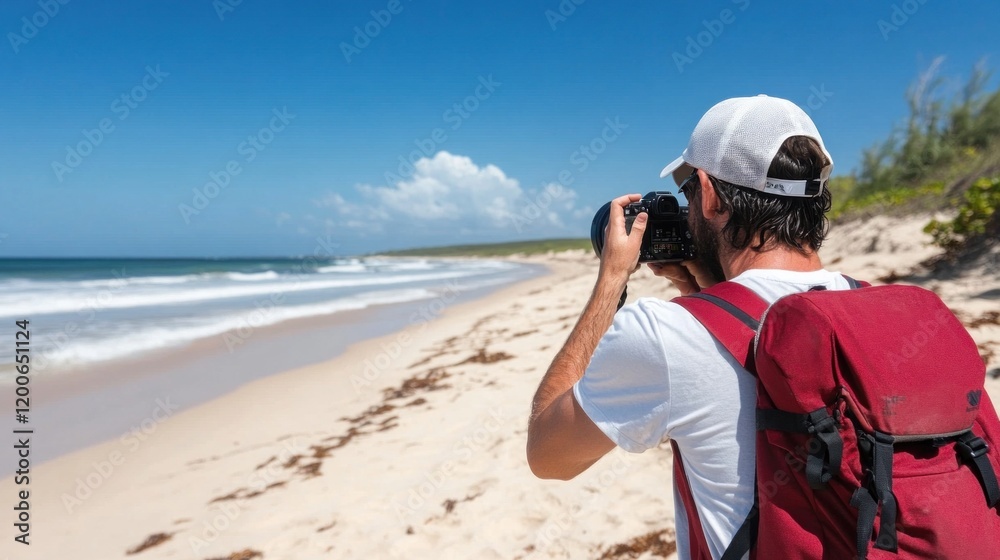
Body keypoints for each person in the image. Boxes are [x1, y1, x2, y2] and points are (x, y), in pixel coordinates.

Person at [526, 94, 849, 559]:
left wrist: (611, 281)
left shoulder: (662, 334)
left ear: (710, 194)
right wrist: (704, 295)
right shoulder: (878, 306)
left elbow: (548, 454)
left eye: (686, 192)